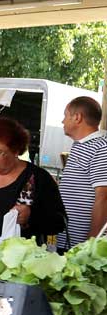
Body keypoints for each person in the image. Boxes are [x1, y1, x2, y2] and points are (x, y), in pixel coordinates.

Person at [57, 97, 106, 248]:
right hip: (67, 241)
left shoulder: (101, 147)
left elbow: (104, 197)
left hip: (82, 248)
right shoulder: (80, 145)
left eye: (65, 115)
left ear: (77, 117)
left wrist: (90, 245)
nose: (62, 121)